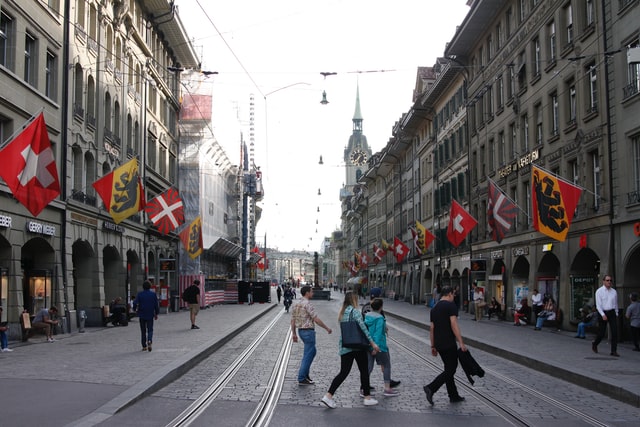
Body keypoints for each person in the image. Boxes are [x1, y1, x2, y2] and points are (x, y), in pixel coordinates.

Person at [321, 291, 380, 409]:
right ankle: (367, 397)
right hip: (357, 346)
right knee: (364, 371)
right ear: (354, 300)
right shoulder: (355, 312)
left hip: (345, 346)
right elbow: (363, 329)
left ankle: (328, 395)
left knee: (343, 372)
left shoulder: (342, 313)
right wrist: (372, 343)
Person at [423, 286, 467, 405]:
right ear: (449, 294)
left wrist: (432, 345)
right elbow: (454, 324)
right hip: (448, 342)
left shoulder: (434, 308)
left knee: (448, 368)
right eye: (453, 295)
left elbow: (432, 328)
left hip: (439, 343)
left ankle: (453, 395)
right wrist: (461, 342)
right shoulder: (450, 306)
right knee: (451, 368)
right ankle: (431, 387)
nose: (454, 297)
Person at [290, 285, 332, 385]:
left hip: (301, 331)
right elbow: (316, 319)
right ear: (307, 293)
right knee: (308, 354)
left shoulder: (296, 304)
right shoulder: (307, 304)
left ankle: (305, 374)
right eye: (311, 291)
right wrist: (326, 328)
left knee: (311, 352)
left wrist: (294, 334)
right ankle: (301, 377)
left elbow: (292, 320)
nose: (313, 293)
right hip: (308, 332)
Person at [364, 298, 399, 397]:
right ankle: (387, 388)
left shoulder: (367, 316)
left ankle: (364, 387)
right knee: (387, 365)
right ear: (381, 307)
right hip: (380, 347)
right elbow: (378, 334)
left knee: (368, 367)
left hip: (368, 345)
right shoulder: (379, 318)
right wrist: (376, 347)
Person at [592, 275, 619, 356]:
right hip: (602, 312)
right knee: (602, 333)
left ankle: (613, 351)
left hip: (612, 312)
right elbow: (598, 305)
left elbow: (616, 303)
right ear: (603, 281)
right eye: (607, 280)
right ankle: (595, 343)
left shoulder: (614, 291)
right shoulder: (599, 291)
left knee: (615, 332)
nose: (609, 282)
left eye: (610, 280)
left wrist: (616, 312)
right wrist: (603, 314)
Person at [133, 280, 159, 352]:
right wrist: (156, 313)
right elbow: (156, 305)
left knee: (143, 330)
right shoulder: (153, 294)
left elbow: (135, 303)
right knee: (150, 329)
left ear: (143, 287)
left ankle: (144, 346)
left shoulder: (140, 294)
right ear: (150, 286)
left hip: (142, 314)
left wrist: (134, 309)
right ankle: (149, 340)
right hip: (150, 314)